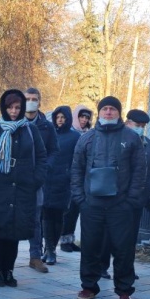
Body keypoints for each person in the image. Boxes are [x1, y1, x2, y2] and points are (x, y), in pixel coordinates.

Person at [70, 96, 146, 299]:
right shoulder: (87, 138)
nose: (109, 112)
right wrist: (79, 198)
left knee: (123, 249)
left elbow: (140, 171)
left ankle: (124, 290)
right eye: (105, 109)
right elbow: (76, 169)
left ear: (119, 113)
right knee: (90, 246)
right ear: (100, 112)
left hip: (120, 205)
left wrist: (131, 200)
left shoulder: (130, 138)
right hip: (91, 204)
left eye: (113, 109)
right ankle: (89, 286)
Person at [0, 89, 48, 287]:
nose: (14, 112)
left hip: (23, 187)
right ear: (4, 108)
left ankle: (9, 270)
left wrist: (37, 179)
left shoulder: (30, 130)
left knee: (14, 233)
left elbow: (42, 156)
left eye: (17, 107)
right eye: (10, 107)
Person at [99, 109, 150, 279]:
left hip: (137, 198)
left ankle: (128, 269)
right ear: (127, 123)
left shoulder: (149, 144)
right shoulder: (118, 140)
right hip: (117, 197)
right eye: (137, 125)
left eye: (143, 126)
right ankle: (103, 266)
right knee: (109, 234)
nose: (140, 129)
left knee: (131, 237)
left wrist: (149, 189)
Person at [24, 87, 59, 273]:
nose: (31, 101)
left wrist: (44, 168)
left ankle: (35, 256)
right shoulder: (14, 122)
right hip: (15, 178)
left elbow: (54, 150)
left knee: (35, 218)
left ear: (39, 102)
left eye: (34, 99)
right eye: (27, 98)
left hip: (37, 179)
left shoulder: (47, 126)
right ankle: (5, 258)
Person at [42, 105, 80, 265]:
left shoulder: (74, 136)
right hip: (46, 179)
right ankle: (48, 248)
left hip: (63, 183)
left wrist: (70, 175)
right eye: (57, 117)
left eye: (63, 117)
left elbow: (77, 159)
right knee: (45, 215)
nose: (59, 120)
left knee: (57, 216)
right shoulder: (49, 133)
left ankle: (52, 249)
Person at [60, 104, 93, 252]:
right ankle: (63, 241)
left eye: (87, 117)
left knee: (75, 211)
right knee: (68, 211)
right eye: (82, 117)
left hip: (83, 177)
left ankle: (70, 239)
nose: (84, 120)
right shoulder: (71, 133)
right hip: (69, 177)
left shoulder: (88, 133)